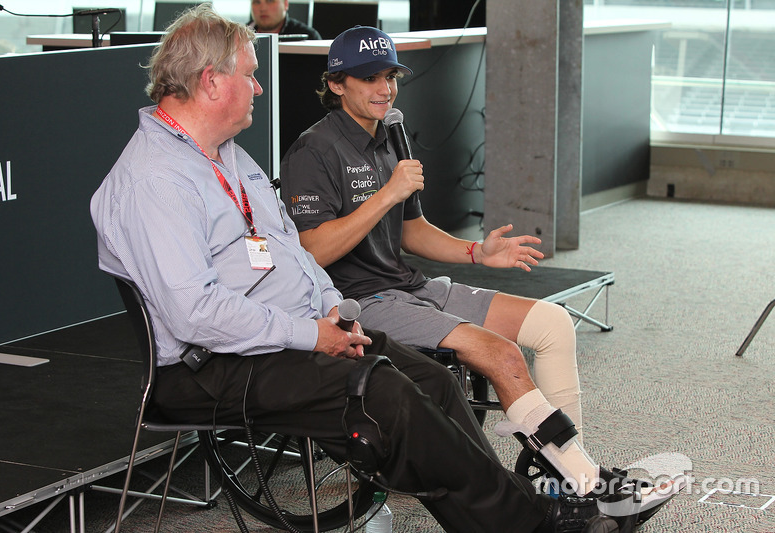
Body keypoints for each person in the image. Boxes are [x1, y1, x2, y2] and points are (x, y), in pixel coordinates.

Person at [90, 6, 638, 532]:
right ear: (211, 82)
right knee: (388, 396)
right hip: (212, 363)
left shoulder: (225, 153)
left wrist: (332, 307)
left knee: (431, 380)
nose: (260, 87)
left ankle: (519, 508)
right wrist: (313, 333)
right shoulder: (156, 181)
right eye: (251, 76)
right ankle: (532, 520)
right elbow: (195, 314)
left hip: (287, 327)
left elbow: (291, 252)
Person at [279, 25, 684, 510]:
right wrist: (388, 192)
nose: (384, 88)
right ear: (337, 84)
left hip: (411, 285)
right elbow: (312, 251)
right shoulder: (314, 149)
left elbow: (413, 230)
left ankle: (567, 469)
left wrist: (478, 253)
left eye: (390, 76)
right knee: (503, 354)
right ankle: (584, 485)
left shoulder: (389, 137)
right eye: (369, 78)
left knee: (554, 324)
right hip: (360, 302)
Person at [248, 0, 321, 39]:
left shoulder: (308, 37)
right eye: (257, 2)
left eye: (270, 1)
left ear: (286, 4)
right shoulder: (239, 36)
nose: (262, 8)